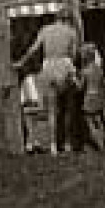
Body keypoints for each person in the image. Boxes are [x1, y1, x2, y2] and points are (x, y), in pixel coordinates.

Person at [14, 10, 81, 155]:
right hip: (65, 66)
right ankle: (67, 143)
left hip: (49, 67)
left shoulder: (45, 30)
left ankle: (53, 145)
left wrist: (21, 62)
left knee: (52, 110)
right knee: (68, 109)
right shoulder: (71, 32)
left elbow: (33, 49)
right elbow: (74, 55)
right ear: (68, 19)